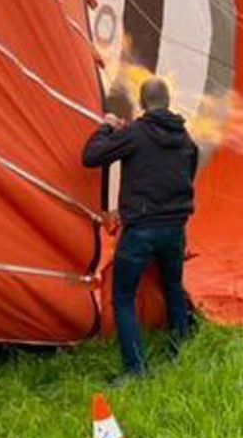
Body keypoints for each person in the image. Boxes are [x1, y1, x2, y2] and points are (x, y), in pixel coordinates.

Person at [81, 77, 199, 378]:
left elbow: (91, 156)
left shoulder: (135, 133)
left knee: (123, 297)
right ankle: (181, 350)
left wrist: (107, 126)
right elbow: (184, 176)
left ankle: (136, 369)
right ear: (168, 102)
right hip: (175, 228)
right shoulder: (186, 139)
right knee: (173, 286)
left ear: (142, 103)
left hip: (142, 229)